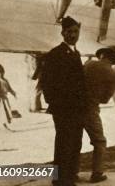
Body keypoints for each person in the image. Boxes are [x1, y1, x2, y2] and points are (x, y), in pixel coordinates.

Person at [40, 16, 87, 186]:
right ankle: (60, 180)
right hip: (64, 109)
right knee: (64, 143)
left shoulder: (75, 52)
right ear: (62, 33)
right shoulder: (56, 53)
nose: (73, 35)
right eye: (69, 32)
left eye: (75, 31)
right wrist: (56, 103)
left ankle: (71, 175)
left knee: (75, 142)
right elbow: (46, 81)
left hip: (77, 108)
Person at [80, 45, 115, 183]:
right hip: (90, 109)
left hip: (73, 107)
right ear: (113, 59)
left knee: (73, 141)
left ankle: (70, 173)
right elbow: (104, 99)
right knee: (100, 142)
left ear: (102, 55)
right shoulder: (113, 74)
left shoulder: (88, 64)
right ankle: (97, 174)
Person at [0, 64, 17, 131]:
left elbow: (9, 88)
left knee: (5, 111)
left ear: (3, 72)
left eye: (1, 72)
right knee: (2, 112)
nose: (0, 74)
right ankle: (4, 127)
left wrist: (13, 93)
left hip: (5, 98)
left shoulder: (5, 80)